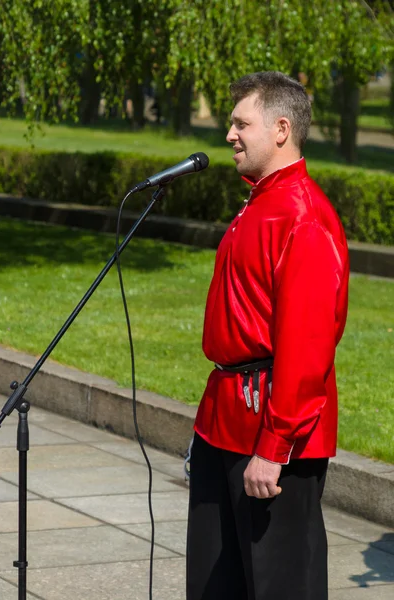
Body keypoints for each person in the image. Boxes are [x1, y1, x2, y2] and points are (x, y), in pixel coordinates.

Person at [186, 71, 350, 600]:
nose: (229, 135)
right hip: (225, 421)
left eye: (241, 123)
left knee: (280, 586)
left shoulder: (302, 215)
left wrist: (275, 447)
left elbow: (307, 348)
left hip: (273, 433)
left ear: (281, 129)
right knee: (217, 584)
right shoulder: (259, 200)